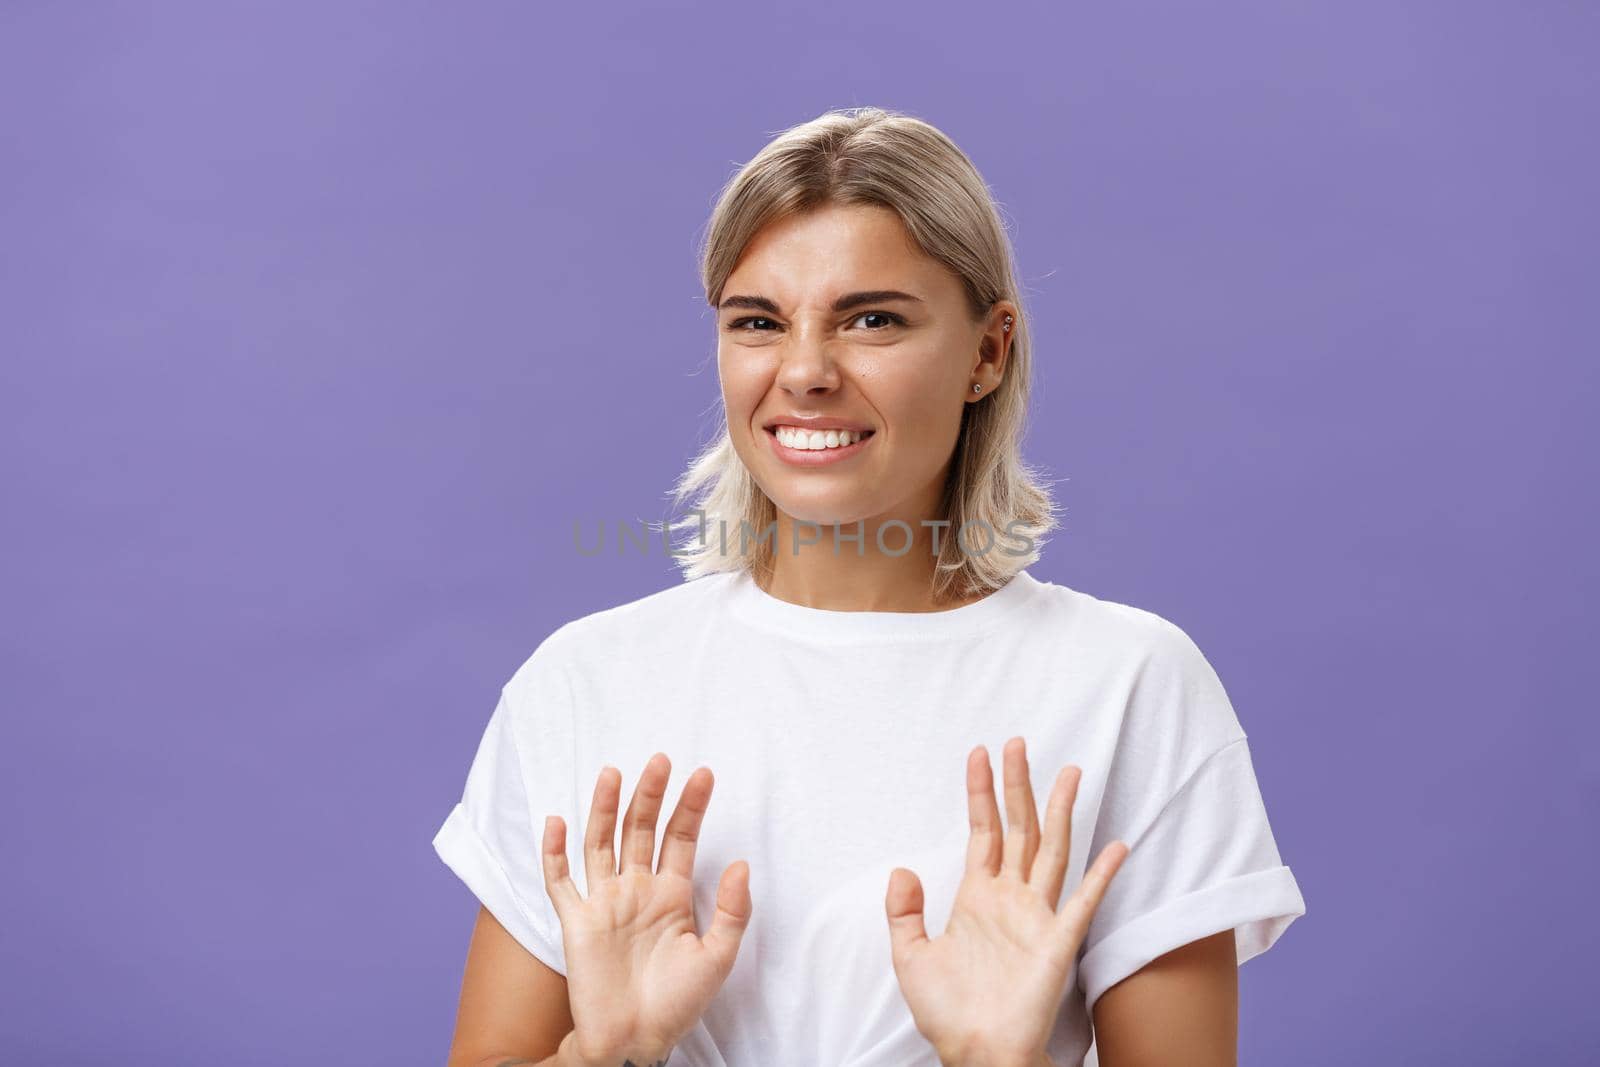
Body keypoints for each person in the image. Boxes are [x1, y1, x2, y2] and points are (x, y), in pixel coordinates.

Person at [432, 106, 1306, 1067]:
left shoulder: (1128, 685)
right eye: (759, 322)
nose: (804, 371)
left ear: (988, 350)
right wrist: (608, 1051)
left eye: (873, 319)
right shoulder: (585, 682)